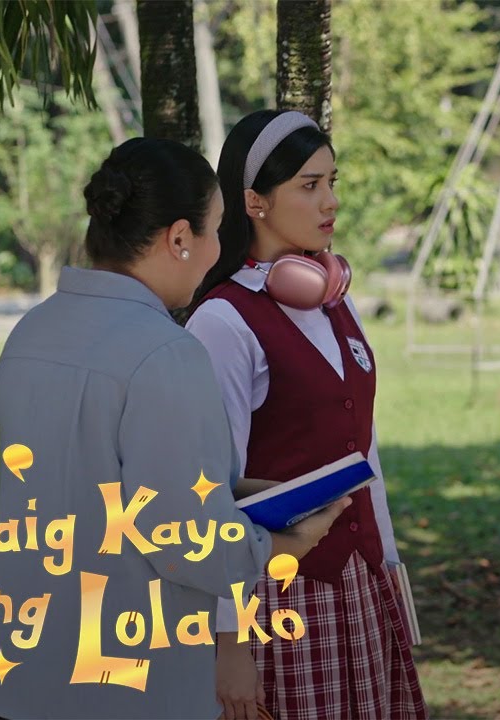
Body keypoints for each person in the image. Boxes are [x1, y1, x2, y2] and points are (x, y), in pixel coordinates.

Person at [0, 138, 349, 720]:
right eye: (216, 231)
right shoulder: (165, 352)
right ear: (180, 238)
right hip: (127, 680)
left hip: (21, 670)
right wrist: (287, 544)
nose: (217, 251)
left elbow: (85, 482)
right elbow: (187, 542)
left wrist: (249, 493)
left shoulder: (31, 333)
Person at [186, 110, 427, 720]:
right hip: (277, 600)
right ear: (255, 202)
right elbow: (212, 490)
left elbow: (364, 455)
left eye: (332, 181)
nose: (331, 202)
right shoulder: (223, 321)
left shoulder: (333, 302)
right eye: (309, 185)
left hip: (359, 581)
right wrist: (230, 644)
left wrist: (389, 568)